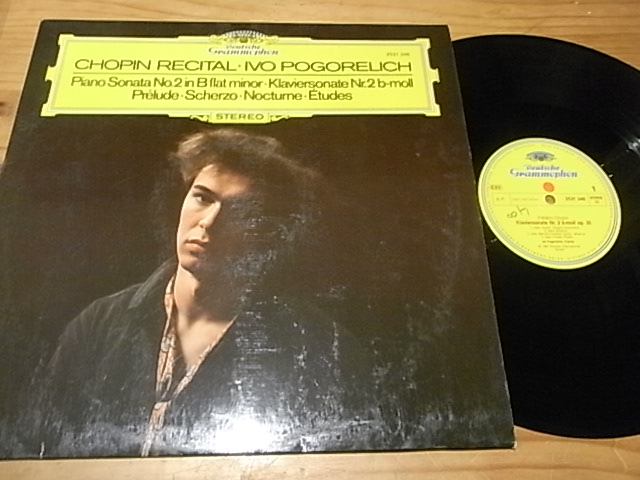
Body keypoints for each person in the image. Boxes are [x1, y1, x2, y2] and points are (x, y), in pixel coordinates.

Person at [32, 128, 383, 457]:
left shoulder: (322, 351)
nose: (209, 222)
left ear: (268, 234)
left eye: (241, 210)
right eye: (202, 197)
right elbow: (44, 450)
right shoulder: (97, 324)